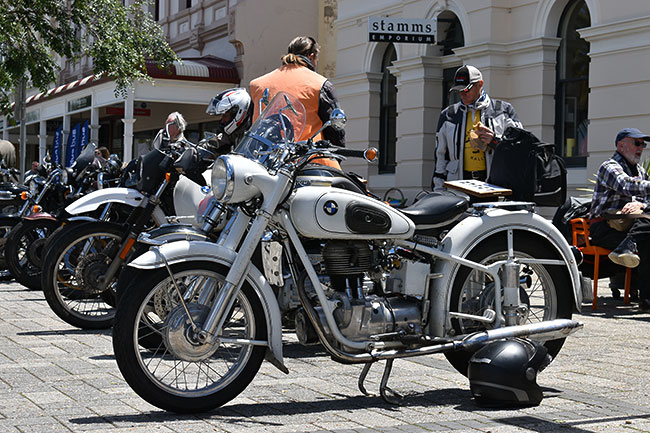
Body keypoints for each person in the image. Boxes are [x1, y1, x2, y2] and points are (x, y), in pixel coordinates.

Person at [249, 35, 345, 168]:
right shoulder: (320, 84)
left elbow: (251, 125)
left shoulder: (257, 85)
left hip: (264, 163)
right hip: (309, 165)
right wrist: (337, 156)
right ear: (312, 56)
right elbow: (335, 130)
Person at [589, 127, 650, 312]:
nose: (641, 148)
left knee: (646, 236)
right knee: (647, 243)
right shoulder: (609, 166)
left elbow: (646, 200)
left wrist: (642, 206)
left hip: (630, 226)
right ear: (621, 145)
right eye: (637, 143)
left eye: (643, 144)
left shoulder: (640, 171)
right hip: (603, 228)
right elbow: (626, 186)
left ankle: (628, 245)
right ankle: (647, 301)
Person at [432, 65, 522, 190]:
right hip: (458, 187)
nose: (462, 94)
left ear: (480, 84)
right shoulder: (449, 114)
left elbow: (519, 150)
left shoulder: (503, 110)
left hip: (495, 187)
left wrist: (494, 141)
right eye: (459, 90)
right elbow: (441, 155)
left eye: (466, 90)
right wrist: (439, 190)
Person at [204, 87, 254, 156]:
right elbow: (219, 141)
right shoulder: (233, 133)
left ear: (237, 113)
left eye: (225, 116)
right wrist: (201, 148)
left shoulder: (254, 133)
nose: (222, 121)